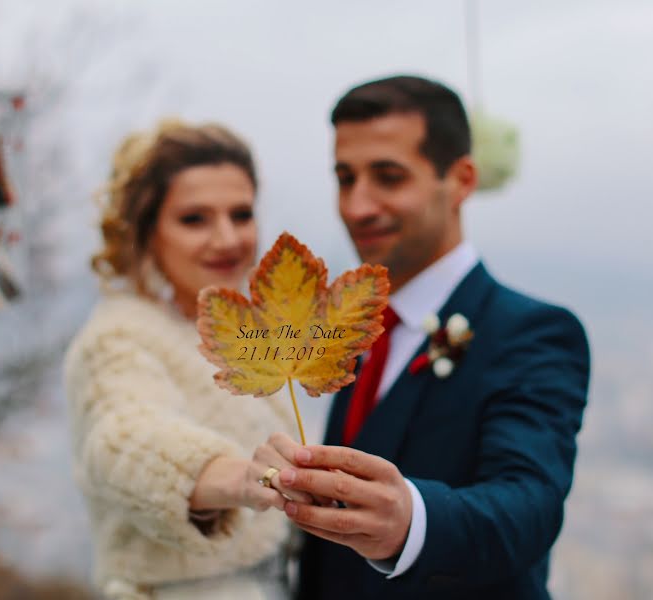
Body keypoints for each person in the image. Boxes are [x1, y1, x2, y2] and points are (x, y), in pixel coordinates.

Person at [258, 76, 590, 599]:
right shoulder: (353, 328)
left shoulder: (534, 332)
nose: (357, 206)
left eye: (388, 177)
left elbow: (528, 506)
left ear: (460, 179)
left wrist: (410, 521)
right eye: (345, 179)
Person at [64, 120, 302, 600]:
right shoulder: (119, 335)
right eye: (195, 219)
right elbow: (122, 439)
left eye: (241, 214)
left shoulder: (251, 333)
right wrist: (240, 478)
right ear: (148, 233)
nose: (227, 238)